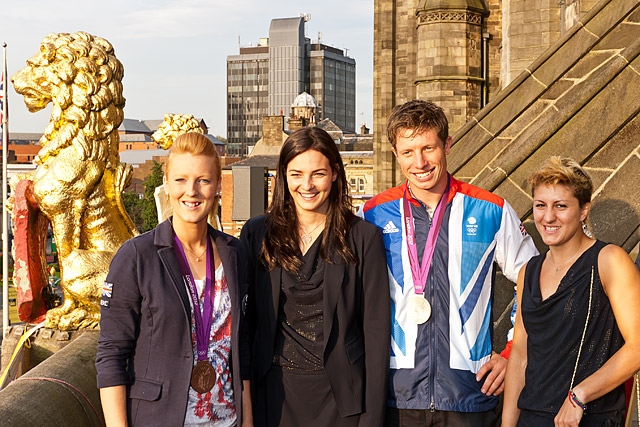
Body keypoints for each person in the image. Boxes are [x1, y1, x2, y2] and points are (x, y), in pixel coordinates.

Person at [359, 99, 538, 427]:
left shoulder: (490, 209)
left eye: (429, 148)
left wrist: (514, 352)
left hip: (469, 393)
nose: (420, 162)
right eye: (408, 151)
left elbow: (535, 280)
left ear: (447, 145)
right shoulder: (372, 214)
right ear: (395, 154)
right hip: (395, 396)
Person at [96, 132, 252, 427]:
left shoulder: (235, 254)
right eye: (180, 180)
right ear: (166, 184)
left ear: (218, 185)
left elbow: (242, 347)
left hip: (227, 420)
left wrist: (248, 420)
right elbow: (111, 356)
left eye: (203, 180)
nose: (191, 191)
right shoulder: (136, 257)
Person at [240, 126, 390, 427]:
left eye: (317, 174)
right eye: (296, 174)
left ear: (334, 173)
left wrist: (372, 418)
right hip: (273, 394)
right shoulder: (257, 234)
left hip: (341, 400)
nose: (306, 185)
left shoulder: (363, 237)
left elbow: (376, 334)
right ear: (283, 175)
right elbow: (245, 325)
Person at [502, 156, 640, 427]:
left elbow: (637, 346)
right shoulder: (528, 271)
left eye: (561, 206)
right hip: (532, 419)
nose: (548, 216)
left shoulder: (609, 260)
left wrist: (580, 395)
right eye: (540, 205)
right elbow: (520, 355)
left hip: (588, 418)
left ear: (584, 210)